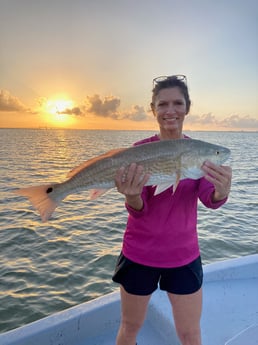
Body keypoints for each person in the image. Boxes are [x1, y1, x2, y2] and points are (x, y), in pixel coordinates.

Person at [113, 75, 232, 345]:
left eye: (178, 103)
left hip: (183, 256)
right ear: (153, 109)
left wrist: (222, 191)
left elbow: (209, 199)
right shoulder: (139, 151)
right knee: (130, 327)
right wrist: (132, 196)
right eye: (162, 104)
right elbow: (138, 209)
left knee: (190, 334)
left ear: (187, 107)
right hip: (139, 253)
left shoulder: (197, 152)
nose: (170, 110)